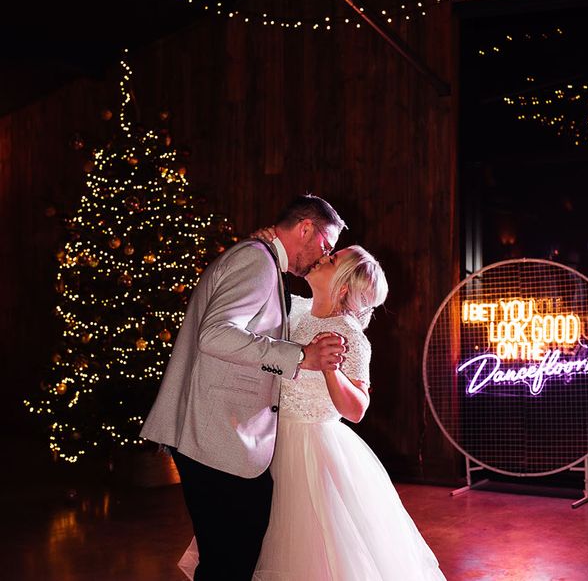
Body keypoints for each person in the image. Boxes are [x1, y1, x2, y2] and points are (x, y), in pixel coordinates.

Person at [178, 236, 446, 580]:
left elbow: (357, 409)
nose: (323, 259)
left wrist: (331, 369)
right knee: (244, 532)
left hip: (310, 453)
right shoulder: (296, 310)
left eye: (332, 260)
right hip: (266, 439)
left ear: (344, 288)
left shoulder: (349, 336)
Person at [140, 195, 348, 581]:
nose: (323, 256)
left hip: (217, 434)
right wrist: (299, 356)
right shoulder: (256, 260)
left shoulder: (260, 258)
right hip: (217, 434)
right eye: (325, 245)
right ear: (305, 229)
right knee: (230, 561)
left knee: (229, 557)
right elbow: (216, 336)